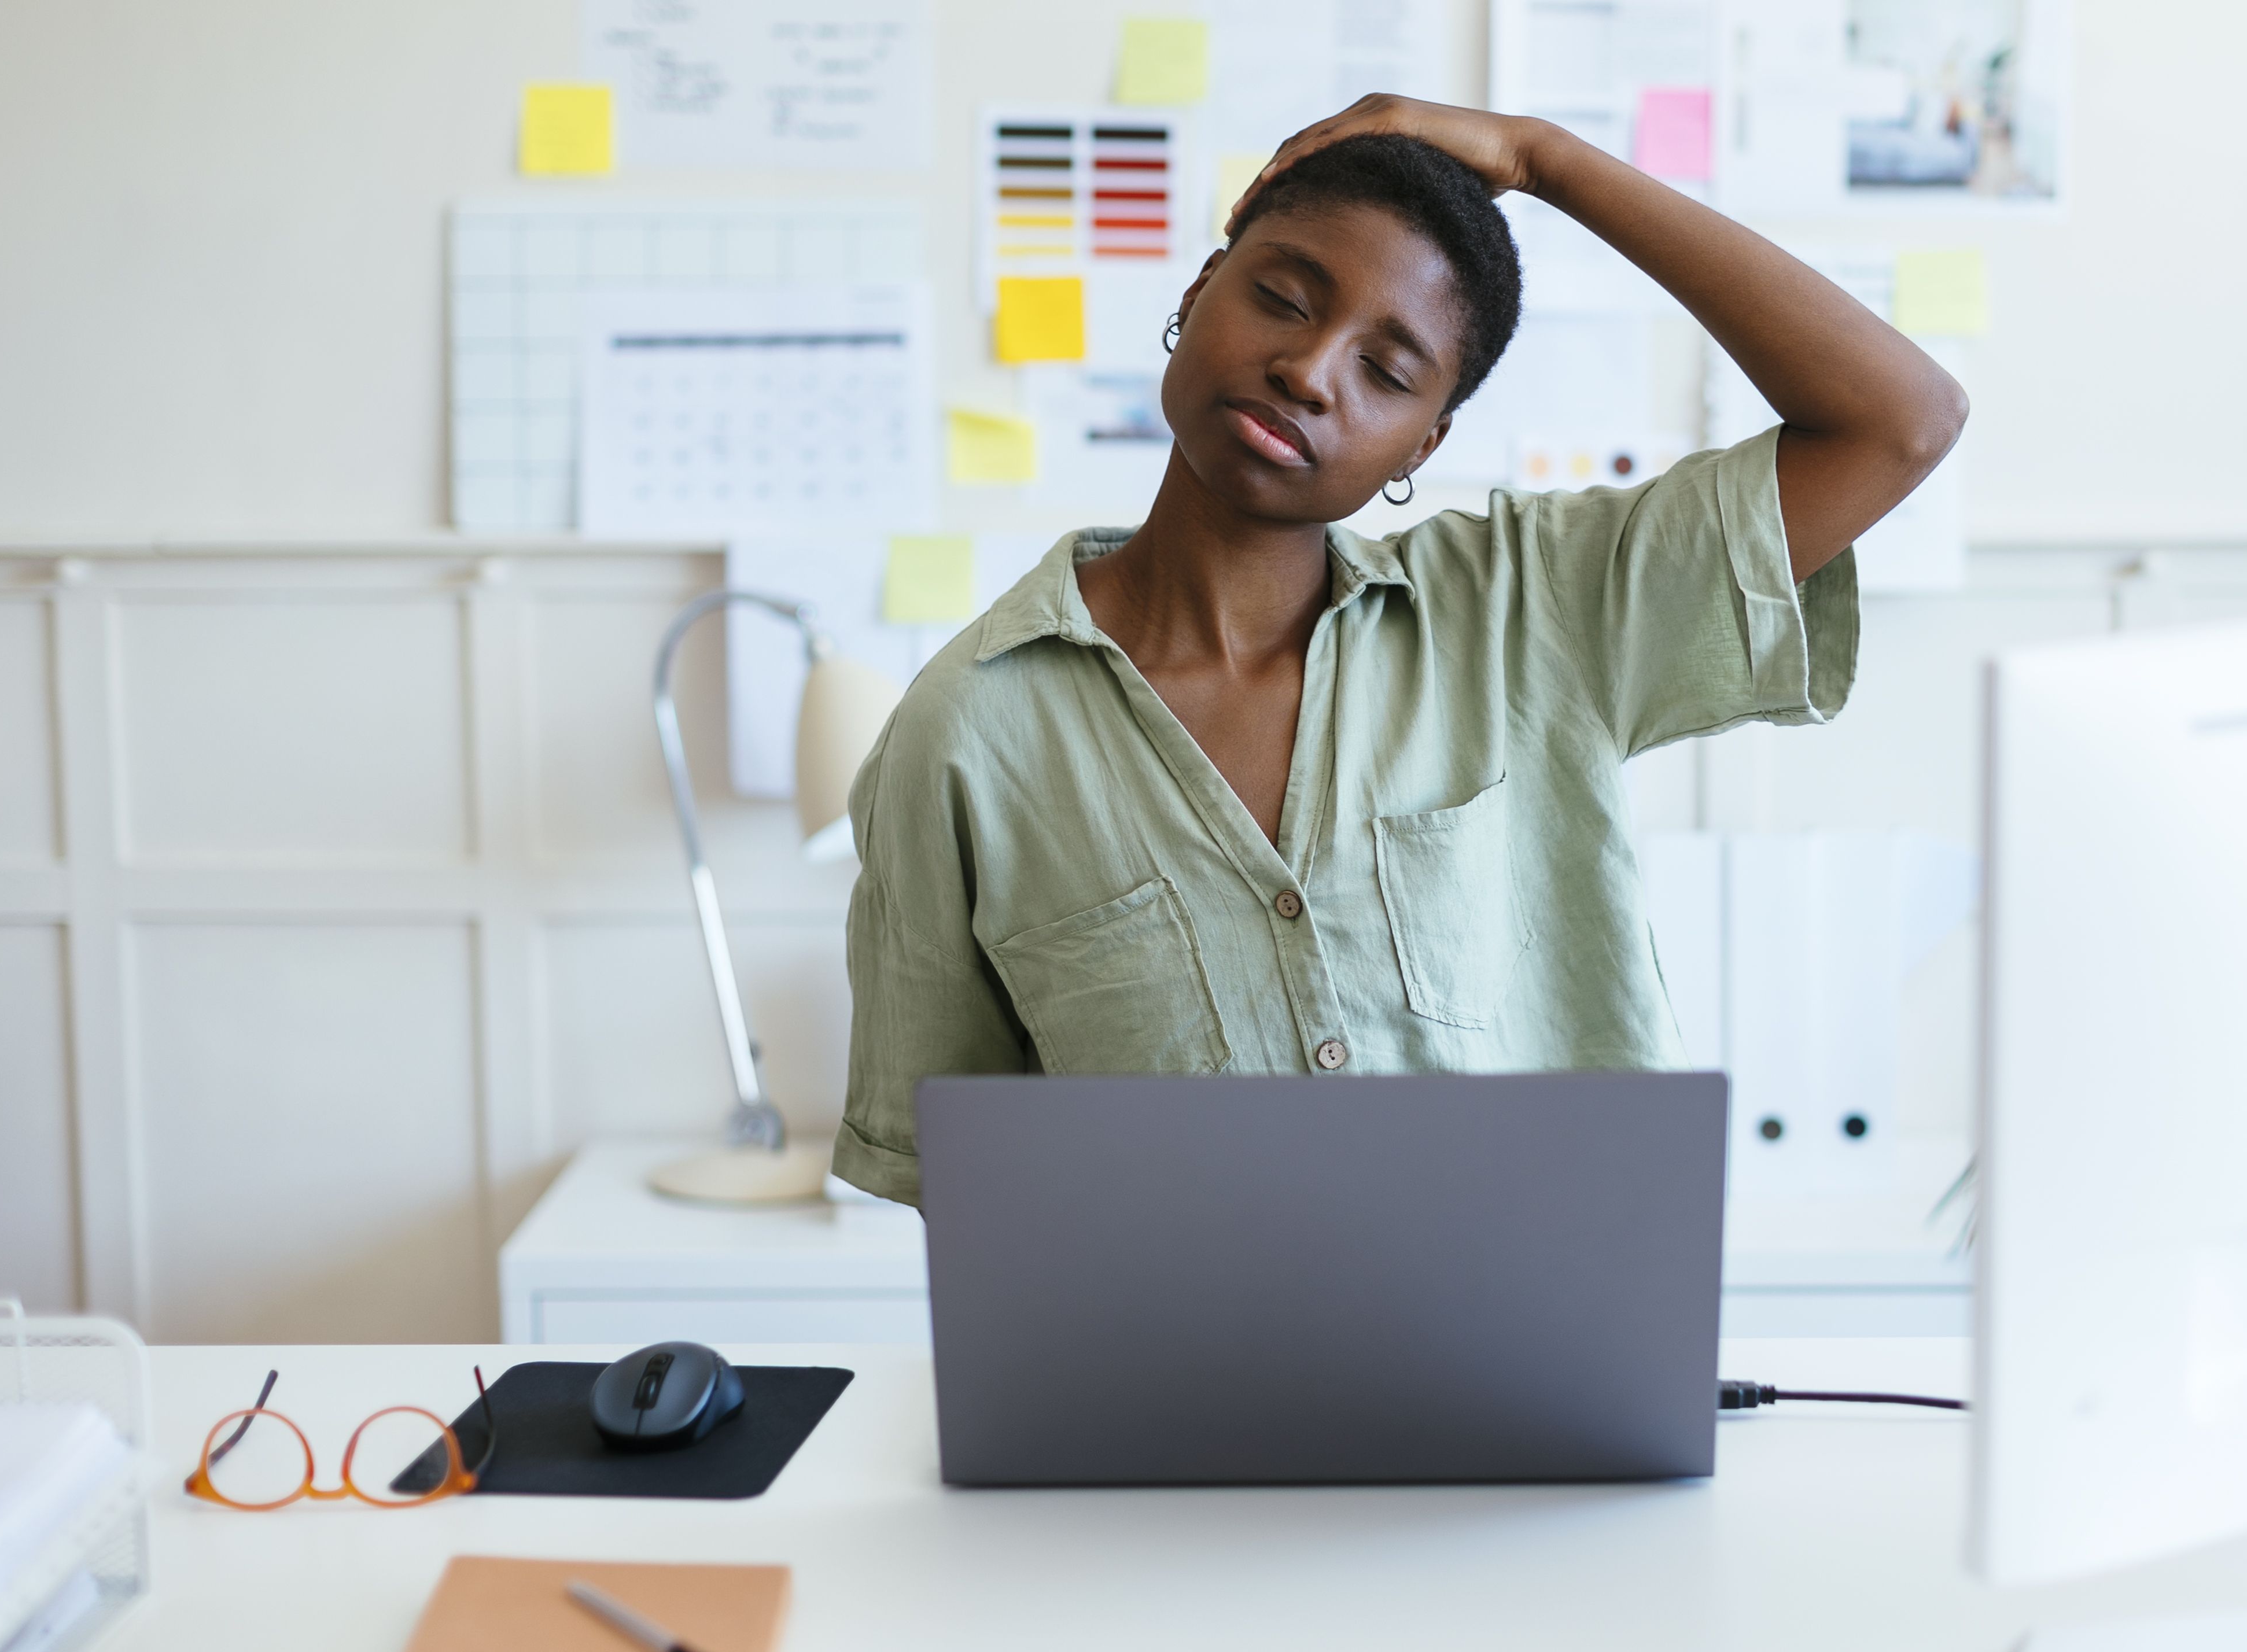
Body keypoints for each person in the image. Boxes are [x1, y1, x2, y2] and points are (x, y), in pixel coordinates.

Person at [831, 95, 1966, 1206]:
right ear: (1196, 293)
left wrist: (1544, 155)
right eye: (1281, 299)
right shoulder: (964, 734)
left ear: (1424, 439)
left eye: (1387, 371)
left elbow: (1900, 420)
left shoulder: (1536, 611)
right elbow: (976, 1182)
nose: (1311, 371)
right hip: (1191, 1386)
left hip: (1554, 1369)